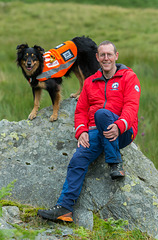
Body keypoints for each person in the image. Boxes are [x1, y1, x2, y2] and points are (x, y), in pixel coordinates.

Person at [37, 40, 141, 222]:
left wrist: (120, 125)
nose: (106, 58)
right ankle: (65, 208)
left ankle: (114, 162)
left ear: (116, 56)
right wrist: (81, 131)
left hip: (123, 132)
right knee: (78, 158)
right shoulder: (90, 82)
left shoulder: (129, 77)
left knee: (102, 114)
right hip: (96, 133)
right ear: (97, 58)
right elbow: (81, 110)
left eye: (109, 54)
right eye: (102, 55)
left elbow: (132, 107)